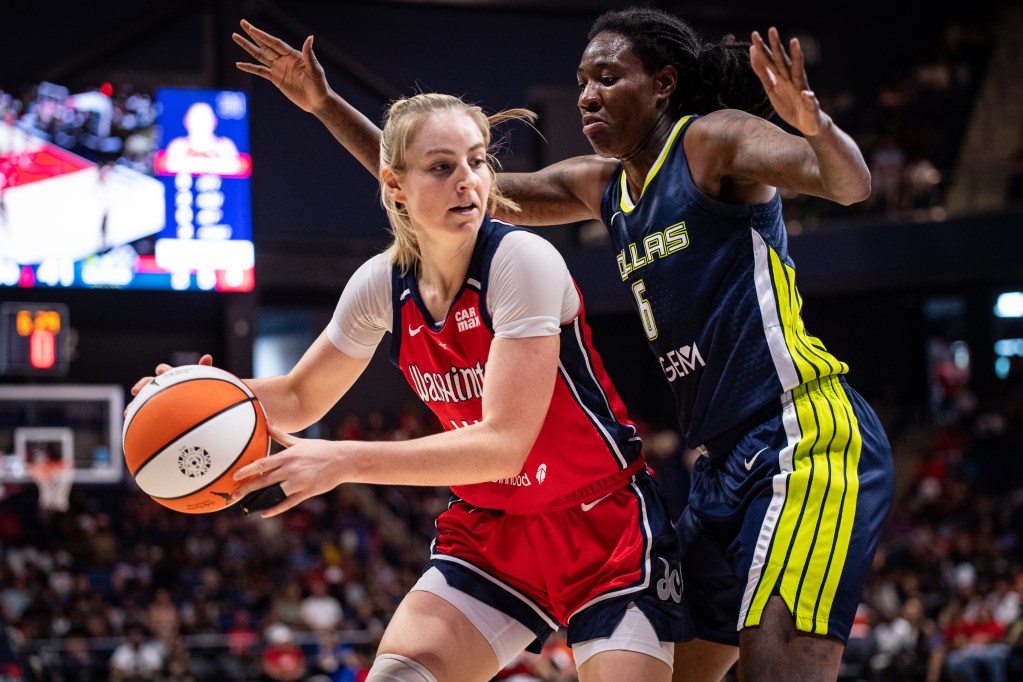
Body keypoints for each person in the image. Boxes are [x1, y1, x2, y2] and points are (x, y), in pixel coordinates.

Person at [232, 6, 895, 681]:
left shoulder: (710, 143)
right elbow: (444, 191)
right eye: (580, 81)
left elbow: (848, 183)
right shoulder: (602, 185)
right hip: (720, 460)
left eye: (606, 78)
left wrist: (814, 126)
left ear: (663, 84)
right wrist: (324, 105)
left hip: (800, 432)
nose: (586, 95)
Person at [133, 92, 688, 681]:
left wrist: (342, 460)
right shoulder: (380, 285)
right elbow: (299, 398)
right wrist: (201, 393)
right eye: (442, 166)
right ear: (394, 183)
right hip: (491, 529)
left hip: (602, 525)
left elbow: (505, 443)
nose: (468, 181)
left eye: (477, 161)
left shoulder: (521, 260)